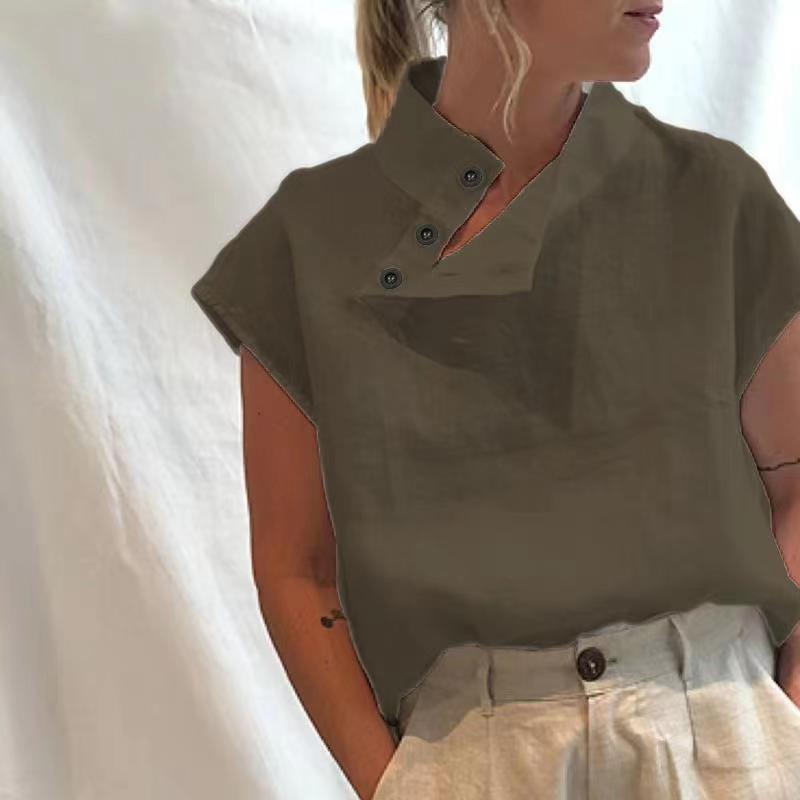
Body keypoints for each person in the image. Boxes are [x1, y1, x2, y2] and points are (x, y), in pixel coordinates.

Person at [190, 0, 800, 797]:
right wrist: (401, 785)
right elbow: (297, 569)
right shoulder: (305, 249)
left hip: (726, 746)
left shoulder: (712, 203)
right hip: (474, 761)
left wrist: (780, 722)